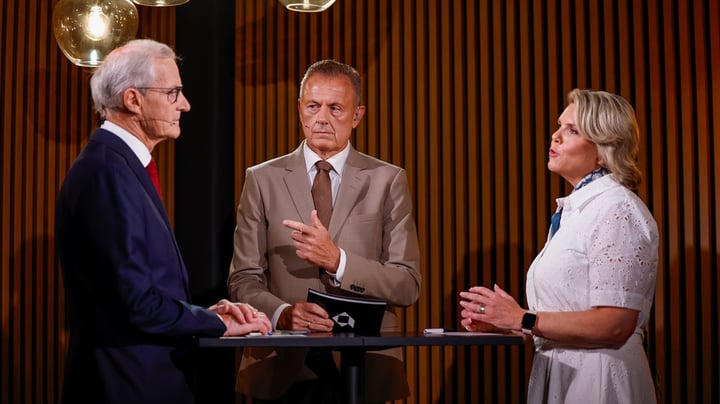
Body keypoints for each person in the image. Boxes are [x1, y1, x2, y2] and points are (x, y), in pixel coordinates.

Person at [55, 39, 272, 404]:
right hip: (126, 387)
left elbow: (139, 293)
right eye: (173, 93)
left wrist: (200, 315)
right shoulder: (107, 173)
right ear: (133, 99)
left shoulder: (117, 165)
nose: (184, 104)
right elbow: (135, 303)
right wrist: (216, 322)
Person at [228, 59, 421, 403]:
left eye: (335, 108)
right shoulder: (261, 179)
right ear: (299, 109)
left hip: (364, 363)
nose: (322, 118)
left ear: (357, 115)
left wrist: (338, 262)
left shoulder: (388, 180)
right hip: (282, 362)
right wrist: (283, 314)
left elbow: (407, 284)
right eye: (313, 106)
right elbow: (243, 279)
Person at [459, 89, 659, 403]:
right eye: (559, 126)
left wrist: (523, 318)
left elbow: (615, 324)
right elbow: (566, 314)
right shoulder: (576, 211)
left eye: (572, 130)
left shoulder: (617, 210)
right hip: (565, 375)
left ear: (604, 151)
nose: (555, 136)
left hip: (600, 382)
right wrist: (507, 322)